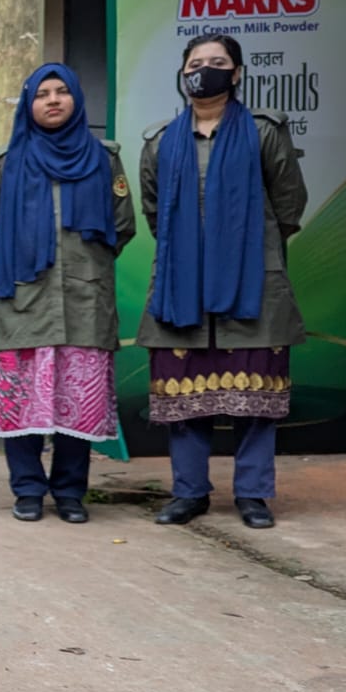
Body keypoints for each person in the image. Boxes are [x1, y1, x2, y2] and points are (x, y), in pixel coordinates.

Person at [137, 32, 306, 530]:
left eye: (216, 62)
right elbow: (154, 212)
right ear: (182, 74)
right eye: (195, 63)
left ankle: (253, 495)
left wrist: (244, 250)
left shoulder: (264, 132)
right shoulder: (161, 141)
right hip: (181, 286)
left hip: (251, 281)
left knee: (257, 398)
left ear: (236, 73)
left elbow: (289, 204)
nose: (203, 71)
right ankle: (189, 493)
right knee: (184, 398)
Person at [0, 63, 135, 522]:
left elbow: (122, 224)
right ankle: (27, 490)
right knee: (23, 399)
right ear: (29, 104)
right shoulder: (5, 163)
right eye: (42, 93)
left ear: (76, 99)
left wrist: (85, 265)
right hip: (21, 301)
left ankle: (69, 493)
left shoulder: (103, 159)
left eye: (61, 91)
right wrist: (24, 257)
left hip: (85, 301)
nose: (52, 100)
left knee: (78, 401)